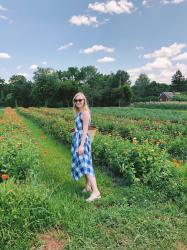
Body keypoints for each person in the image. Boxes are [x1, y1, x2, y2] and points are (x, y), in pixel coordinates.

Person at [71, 92, 101, 202]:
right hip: (78, 139)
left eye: (80, 100)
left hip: (82, 141)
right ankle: (88, 186)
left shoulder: (85, 113)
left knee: (86, 165)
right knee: (83, 164)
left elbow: (85, 131)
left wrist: (81, 145)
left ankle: (96, 191)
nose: (78, 102)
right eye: (76, 100)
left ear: (84, 101)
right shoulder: (79, 113)